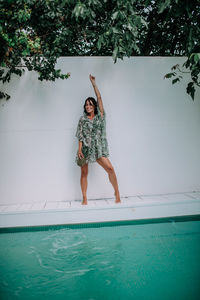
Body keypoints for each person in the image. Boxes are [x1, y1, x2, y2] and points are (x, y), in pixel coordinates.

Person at [75, 74, 121, 205]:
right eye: (86, 105)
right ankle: (84, 197)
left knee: (110, 169)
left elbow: (99, 98)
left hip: (98, 148)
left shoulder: (101, 115)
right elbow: (80, 135)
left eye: (90, 104)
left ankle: (116, 192)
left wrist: (94, 84)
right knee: (84, 173)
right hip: (85, 148)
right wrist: (79, 150)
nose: (88, 106)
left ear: (94, 106)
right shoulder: (82, 119)